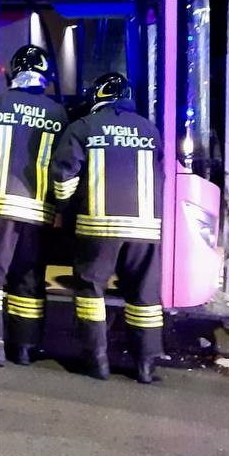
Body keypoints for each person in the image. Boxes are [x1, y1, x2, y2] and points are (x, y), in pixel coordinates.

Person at [50, 72, 165, 384]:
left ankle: (96, 361)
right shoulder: (150, 130)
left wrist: (64, 209)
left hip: (98, 226)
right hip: (145, 228)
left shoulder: (84, 127)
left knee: (90, 290)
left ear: (98, 96)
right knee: (143, 295)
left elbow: (63, 177)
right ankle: (146, 364)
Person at [0, 44, 67, 366]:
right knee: (29, 279)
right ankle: (24, 348)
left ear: (13, 73)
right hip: (37, 212)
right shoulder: (58, 113)